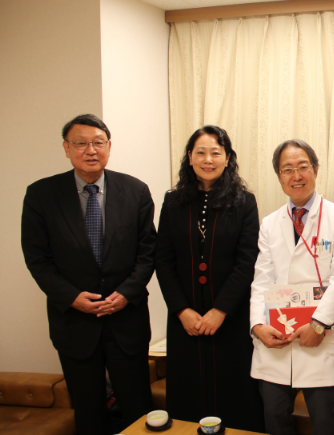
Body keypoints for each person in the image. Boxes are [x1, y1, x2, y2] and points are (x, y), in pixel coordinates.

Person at [21, 114, 155, 435]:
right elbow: (37, 259)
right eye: (81, 144)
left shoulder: (135, 191)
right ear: (66, 149)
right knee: (89, 412)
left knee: (138, 409)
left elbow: (148, 251)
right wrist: (71, 298)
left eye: (98, 143)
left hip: (127, 322)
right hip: (75, 325)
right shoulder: (41, 195)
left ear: (109, 147)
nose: (90, 150)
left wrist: (126, 293)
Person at [155, 126, 265, 431]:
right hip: (185, 320)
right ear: (190, 158)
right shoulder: (173, 201)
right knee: (188, 394)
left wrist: (220, 310)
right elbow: (162, 260)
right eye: (200, 152)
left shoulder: (244, 201)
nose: (208, 159)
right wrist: (181, 310)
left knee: (235, 394)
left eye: (216, 152)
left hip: (229, 317)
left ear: (227, 158)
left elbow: (247, 262)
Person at [250, 139, 334, 435]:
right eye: (287, 169)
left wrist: (319, 324)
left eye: (302, 167)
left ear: (316, 169)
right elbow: (262, 278)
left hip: (320, 340)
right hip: (276, 340)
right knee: (275, 418)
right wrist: (257, 325)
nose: (296, 176)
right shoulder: (269, 224)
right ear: (279, 176)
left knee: (325, 422)